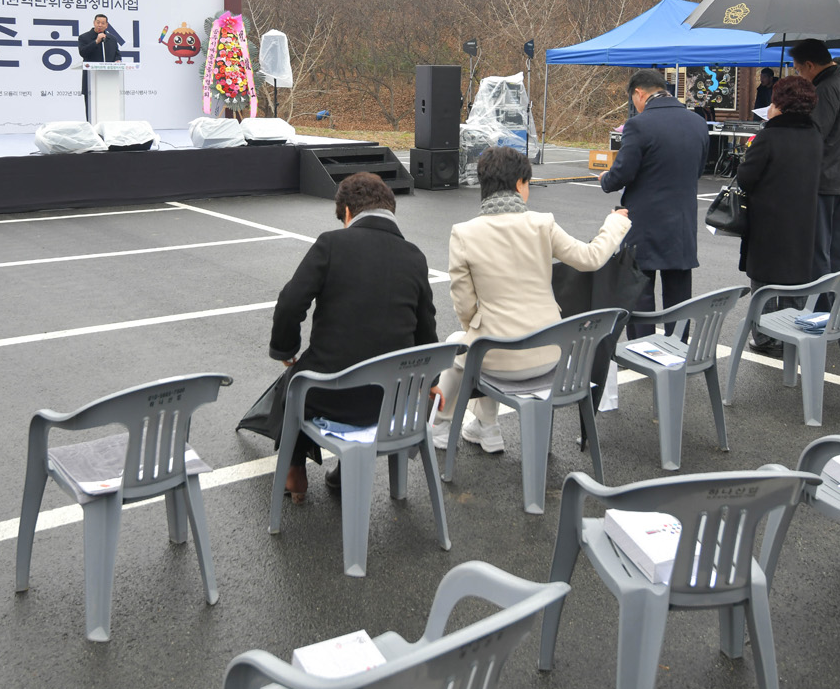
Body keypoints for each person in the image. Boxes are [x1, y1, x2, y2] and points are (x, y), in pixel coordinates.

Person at [437, 147, 630, 451]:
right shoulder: (543, 224)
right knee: (479, 343)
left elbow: (464, 306)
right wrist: (615, 223)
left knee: (464, 344)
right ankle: (484, 428)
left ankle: (447, 426)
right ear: (519, 184)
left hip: (497, 357)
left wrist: (478, 327)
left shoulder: (464, 233)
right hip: (549, 355)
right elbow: (590, 258)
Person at [269, 172, 437, 502]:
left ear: (347, 212)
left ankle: (294, 467)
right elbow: (426, 332)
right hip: (395, 404)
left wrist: (286, 350)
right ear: (390, 209)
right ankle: (346, 473)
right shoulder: (414, 256)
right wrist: (433, 382)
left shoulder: (331, 244)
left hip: (330, 397)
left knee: (292, 382)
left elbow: (290, 304)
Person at [599, 69, 709, 335]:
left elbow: (622, 173)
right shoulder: (697, 122)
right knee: (679, 294)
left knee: (640, 292)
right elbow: (698, 170)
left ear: (639, 93)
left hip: (644, 223)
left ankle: (641, 348)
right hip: (682, 222)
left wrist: (605, 179)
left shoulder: (639, 124)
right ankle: (677, 346)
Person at [735, 74, 822, 349]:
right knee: (795, 280)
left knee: (765, 284)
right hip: (803, 220)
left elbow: (745, 178)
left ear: (780, 104)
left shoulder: (769, 136)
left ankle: (765, 337)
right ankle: (791, 335)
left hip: (768, 221)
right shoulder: (815, 135)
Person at [789, 40, 840, 289]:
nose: (800, 75)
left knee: (819, 249)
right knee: (837, 249)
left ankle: (823, 304)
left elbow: (813, 135)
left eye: (799, 69)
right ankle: (835, 302)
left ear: (810, 65)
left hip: (825, 178)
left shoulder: (826, 89)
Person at [78, 13, 123, 120]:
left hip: (109, 81)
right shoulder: (84, 37)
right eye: (98, 22)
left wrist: (118, 60)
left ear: (106, 25)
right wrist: (96, 41)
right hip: (92, 81)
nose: (100, 25)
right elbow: (83, 53)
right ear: (94, 23)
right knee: (92, 109)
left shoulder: (112, 38)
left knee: (109, 108)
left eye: (103, 23)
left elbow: (117, 54)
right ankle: (92, 127)